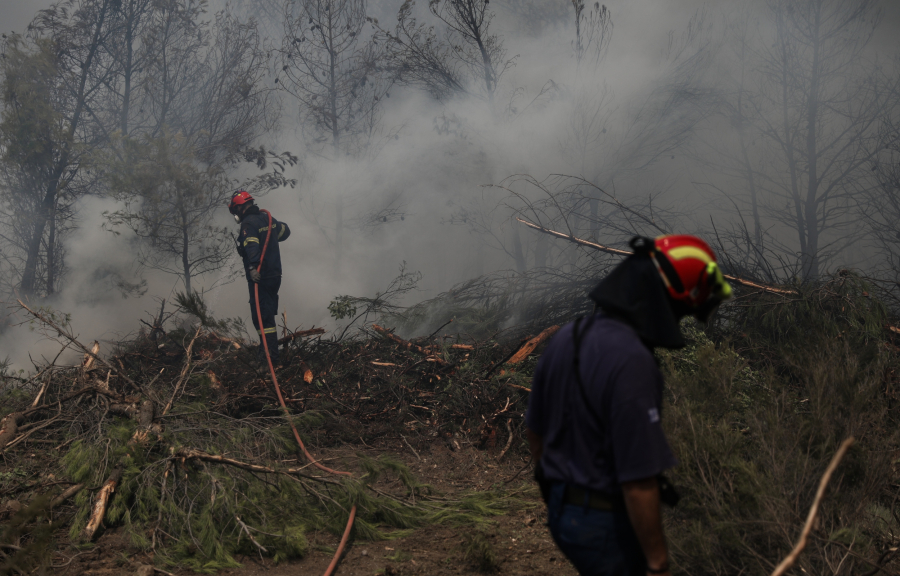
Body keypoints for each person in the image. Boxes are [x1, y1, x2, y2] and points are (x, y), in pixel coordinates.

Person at [525, 235, 732, 576]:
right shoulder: (633, 362)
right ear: (667, 300)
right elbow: (638, 481)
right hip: (606, 526)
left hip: (564, 516)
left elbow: (535, 432)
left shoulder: (569, 336)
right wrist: (658, 563)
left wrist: (557, 490)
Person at [228, 190, 291, 366]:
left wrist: (252, 267)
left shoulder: (248, 224)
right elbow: (285, 232)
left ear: (240, 208)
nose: (235, 214)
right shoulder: (267, 219)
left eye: (235, 210)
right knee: (267, 314)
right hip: (275, 275)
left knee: (262, 318)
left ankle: (270, 360)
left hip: (259, 277)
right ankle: (266, 353)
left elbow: (252, 246)